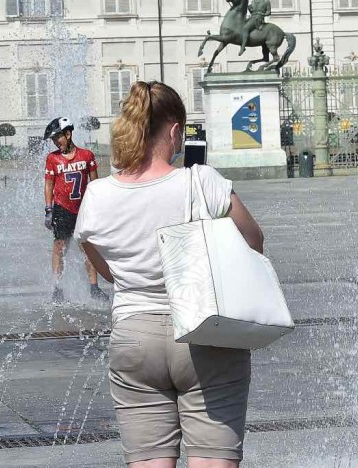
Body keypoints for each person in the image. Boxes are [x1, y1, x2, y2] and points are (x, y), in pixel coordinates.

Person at [74, 81, 264, 467]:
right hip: (205, 332)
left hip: (134, 335)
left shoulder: (98, 195)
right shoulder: (201, 181)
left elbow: (100, 264)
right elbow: (255, 242)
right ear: (175, 130)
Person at [43, 117, 109, 303]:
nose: (56, 142)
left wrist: (98, 208)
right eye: (54, 140)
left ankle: (94, 288)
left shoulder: (87, 156)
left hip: (83, 210)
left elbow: (94, 184)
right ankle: (57, 289)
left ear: (68, 134)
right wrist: (49, 209)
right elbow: (49, 185)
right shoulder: (52, 159)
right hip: (62, 210)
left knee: (87, 248)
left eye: (58, 138)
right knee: (59, 248)